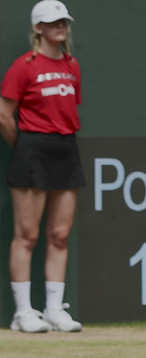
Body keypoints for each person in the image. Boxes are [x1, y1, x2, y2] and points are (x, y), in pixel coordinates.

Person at [0, 0, 83, 334]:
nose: (59, 27)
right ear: (38, 28)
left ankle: (53, 309)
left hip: (65, 148)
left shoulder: (72, 65)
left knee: (59, 234)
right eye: (52, 22)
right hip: (31, 147)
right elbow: (5, 114)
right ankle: (23, 313)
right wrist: (21, 147)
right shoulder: (24, 66)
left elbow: (70, 108)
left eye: (63, 21)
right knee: (28, 234)